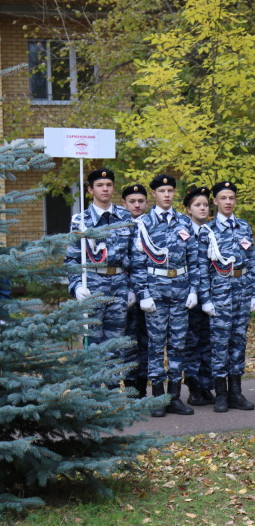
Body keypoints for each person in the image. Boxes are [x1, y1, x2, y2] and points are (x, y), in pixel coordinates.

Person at [130, 174, 199, 417]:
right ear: (155, 195)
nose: (167, 194)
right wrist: (143, 293)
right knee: (156, 346)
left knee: (178, 345)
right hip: (156, 291)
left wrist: (194, 289)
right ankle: (157, 398)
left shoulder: (184, 222)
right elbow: (138, 262)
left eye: (170, 190)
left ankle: (174, 398)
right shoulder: (144, 224)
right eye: (162, 191)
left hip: (181, 290)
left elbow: (195, 259)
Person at [64, 168, 133, 386]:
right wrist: (76, 287)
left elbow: (135, 257)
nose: (105, 189)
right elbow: (71, 259)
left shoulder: (124, 216)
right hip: (92, 284)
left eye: (109, 185)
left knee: (115, 342)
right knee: (92, 340)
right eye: (100, 185)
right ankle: (93, 394)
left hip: (120, 285)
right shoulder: (81, 221)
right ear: (90, 190)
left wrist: (134, 288)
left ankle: (112, 393)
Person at [195, 181, 255, 412]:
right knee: (219, 344)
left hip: (242, 290)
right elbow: (201, 268)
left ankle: (236, 393)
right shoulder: (207, 231)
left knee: (238, 342)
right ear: (215, 201)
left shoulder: (244, 227)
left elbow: (252, 262)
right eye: (223, 198)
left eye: (231, 198)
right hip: (219, 292)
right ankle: (220, 393)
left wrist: (253, 294)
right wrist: (206, 299)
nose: (228, 202)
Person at [182, 186, 215, 407]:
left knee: (208, 341)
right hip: (188, 296)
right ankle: (193, 386)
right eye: (197, 205)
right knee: (190, 342)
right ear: (188, 209)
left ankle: (205, 384)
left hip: (211, 295)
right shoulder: (182, 231)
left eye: (205, 205)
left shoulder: (212, 232)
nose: (202, 208)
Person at [121, 183, 150, 398]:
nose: (137, 205)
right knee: (129, 341)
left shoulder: (151, 225)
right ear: (124, 204)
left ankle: (142, 386)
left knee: (147, 340)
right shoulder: (118, 226)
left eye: (141, 201)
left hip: (150, 293)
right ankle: (130, 387)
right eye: (132, 201)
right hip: (124, 293)